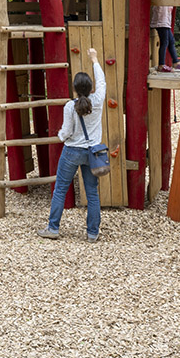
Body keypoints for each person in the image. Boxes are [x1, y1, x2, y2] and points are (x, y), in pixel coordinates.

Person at [38, 47, 107, 243]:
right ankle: (92, 233)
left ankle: (53, 228)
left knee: (60, 189)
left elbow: (66, 132)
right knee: (92, 192)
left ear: (75, 88)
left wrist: (60, 137)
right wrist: (94, 59)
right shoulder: (98, 100)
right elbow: (102, 82)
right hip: (93, 153)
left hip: (72, 151)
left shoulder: (70, 106)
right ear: (90, 87)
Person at [150, 5, 180, 72]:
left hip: (165, 22)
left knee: (171, 41)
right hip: (161, 22)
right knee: (164, 42)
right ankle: (161, 65)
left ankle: (176, 62)